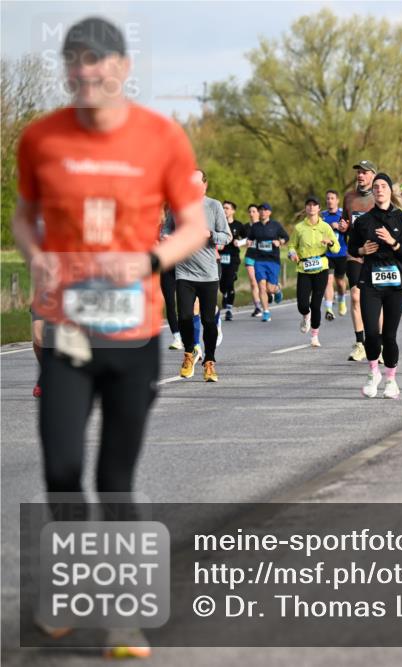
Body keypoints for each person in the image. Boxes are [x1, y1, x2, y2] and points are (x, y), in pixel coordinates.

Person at [12, 16, 209, 658]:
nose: (85, 74)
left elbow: (194, 228)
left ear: (123, 68)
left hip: (133, 332)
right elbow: (24, 212)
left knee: (115, 476)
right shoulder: (40, 138)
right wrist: (35, 251)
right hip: (67, 332)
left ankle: (124, 619)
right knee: (63, 469)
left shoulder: (161, 137)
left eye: (97, 63)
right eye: (74, 64)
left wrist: (150, 262)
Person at [350, 173, 402, 398]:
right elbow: (352, 249)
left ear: (390, 191)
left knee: (389, 335)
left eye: (383, 186)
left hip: (396, 285)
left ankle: (391, 379)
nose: (379, 190)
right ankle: (373, 373)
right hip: (370, 282)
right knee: (371, 333)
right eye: (376, 186)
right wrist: (361, 251)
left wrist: (392, 242)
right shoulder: (363, 221)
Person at [167, 169, 232, 381]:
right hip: (184, 271)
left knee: (208, 321)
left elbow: (227, 236)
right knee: (184, 316)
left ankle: (210, 362)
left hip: (208, 274)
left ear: (204, 185)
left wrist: (210, 234)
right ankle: (189, 353)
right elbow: (165, 230)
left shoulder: (213, 206)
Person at [288, 195, 338, 347]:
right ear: (305, 208)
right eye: (308, 205)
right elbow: (291, 246)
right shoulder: (299, 228)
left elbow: (336, 249)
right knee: (303, 305)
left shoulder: (325, 227)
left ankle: (314, 335)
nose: (311, 207)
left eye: (314, 205)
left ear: (318, 208)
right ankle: (305, 315)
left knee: (316, 305)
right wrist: (292, 254)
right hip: (304, 269)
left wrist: (330, 242)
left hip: (321, 268)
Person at [343, 160, 377, 361]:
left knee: (376, 299)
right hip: (355, 253)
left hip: (376, 255)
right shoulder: (349, 198)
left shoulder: (379, 196)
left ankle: (378, 344)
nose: (360, 175)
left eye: (364, 172)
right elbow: (347, 225)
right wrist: (343, 227)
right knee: (355, 297)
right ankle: (360, 343)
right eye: (358, 172)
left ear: (373, 175)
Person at [247, 202, 289, 322]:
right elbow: (250, 238)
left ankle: (277, 289)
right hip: (259, 260)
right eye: (261, 210)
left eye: (265, 210)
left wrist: (280, 242)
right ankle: (266, 311)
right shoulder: (255, 227)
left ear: (269, 212)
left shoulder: (276, 225)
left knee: (270, 289)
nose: (262, 212)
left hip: (273, 260)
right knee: (261, 286)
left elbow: (286, 237)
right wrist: (249, 242)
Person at [321, 189, 348, 321]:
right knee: (328, 280)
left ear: (337, 200)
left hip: (341, 252)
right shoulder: (322, 216)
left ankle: (342, 298)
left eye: (332, 198)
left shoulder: (343, 214)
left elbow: (350, 229)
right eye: (327, 198)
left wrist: (341, 227)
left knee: (340, 282)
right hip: (327, 254)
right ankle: (329, 308)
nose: (329, 201)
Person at [158, 205, 182, 349]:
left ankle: (191, 335)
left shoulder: (181, 226)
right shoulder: (155, 228)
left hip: (183, 267)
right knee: (169, 303)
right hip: (166, 267)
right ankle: (177, 337)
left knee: (187, 303)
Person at [219, 200, 246, 322]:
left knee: (230, 282)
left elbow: (248, 238)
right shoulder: (218, 224)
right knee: (221, 283)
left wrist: (239, 242)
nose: (225, 210)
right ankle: (224, 293)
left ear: (233, 211)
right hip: (219, 257)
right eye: (223, 208)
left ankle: (229, 309)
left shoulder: (238, 225)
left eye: (227, 208)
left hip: (233, 258)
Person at [244, 204, 264, 316]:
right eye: (249, 211)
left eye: (254, 211)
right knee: (253, 282)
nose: (251, 214)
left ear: (258, 213)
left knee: (263, 282)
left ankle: (272, 291)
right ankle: (258, 307)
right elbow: (240, 238)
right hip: (250, 256)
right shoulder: (246, 227)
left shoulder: (263, 226)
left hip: (262, 256)